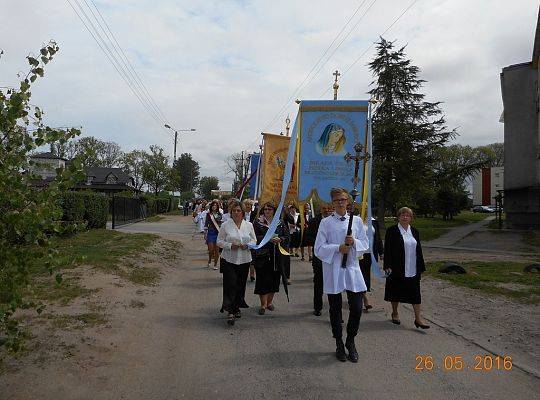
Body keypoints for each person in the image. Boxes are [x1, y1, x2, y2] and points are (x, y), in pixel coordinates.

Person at [314, 187, 369, 363]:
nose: (340, 202)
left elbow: (365, 244)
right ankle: (338, 342)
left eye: (343, 199)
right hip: (334, 269)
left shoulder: (357, 221)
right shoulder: (326, 223)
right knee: (335, 308)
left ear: (348, 201)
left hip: (352, 268)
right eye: (337, 200)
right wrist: (338, 248)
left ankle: (350, 340)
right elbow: (319, 249)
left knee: (357, 307)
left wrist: (354, 242)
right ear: (332, 202)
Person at [383, 207, 430, 329]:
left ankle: (418, 319)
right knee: (395, 291)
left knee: (415, 293)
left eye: (407, 215)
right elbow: (387, 249)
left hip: (413, 267)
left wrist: (421, 267)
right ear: (398, 217)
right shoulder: (392, 230)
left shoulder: (414, 231)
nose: (405, 217)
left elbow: (418, 249)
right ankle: (395, 312)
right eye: (402, 215)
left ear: (411, 218)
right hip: (397, 267)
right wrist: (387, 265)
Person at [217, 200, 257, 326]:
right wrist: (229, 245)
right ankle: (230, 311)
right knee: (231, 284)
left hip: (244, 259)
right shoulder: (225, 225)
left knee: (240, 285)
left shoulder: (249, 225)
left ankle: (237, 306)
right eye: (234, 210)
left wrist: (248, 245)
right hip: (229, 259)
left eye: (238, 210)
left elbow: (254, 240)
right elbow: (219, 241)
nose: (236, 212)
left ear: (243, 212)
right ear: (231, 212)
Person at [253, 202, 290, 315]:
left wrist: (281, 239)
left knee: (274, 279)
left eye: (270, 209)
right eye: (265, 209)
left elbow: (287, 237)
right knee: (262, 279)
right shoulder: (258, 223)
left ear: (274, 211)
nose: (267, 211)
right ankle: (263, 304)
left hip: (277, 256)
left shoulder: (280, 223)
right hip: (262, 255)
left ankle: (269, 302)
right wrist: (267, 238)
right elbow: (253, 237)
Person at [304, 202, 333, 316]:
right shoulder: (314, 221)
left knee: (333, 284)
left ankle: (335, 310)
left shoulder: (335, 222)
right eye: (324, 208)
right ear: (321, 209)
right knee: (319, 283)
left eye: (329, 208)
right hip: (319, 257)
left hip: (332, 258)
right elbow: (308, 237)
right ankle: (317, 307)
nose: (326, 210)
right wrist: (320, 244)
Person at [359, 216, 384, 311]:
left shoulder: (373, 221)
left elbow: (377, 237)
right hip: (359, 253)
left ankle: (363, 294)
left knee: (366, 275)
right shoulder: (356, 220)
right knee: (360, 275)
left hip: (370, 253)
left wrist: (381, 252)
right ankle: (365, 298)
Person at [204, 200, 223, 269]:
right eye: (213, 205)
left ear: (217, 206)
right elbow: (206, 224)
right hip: (210, 233)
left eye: (215, 205)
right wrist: (205, 233)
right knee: (211, 249)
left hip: (218, 233)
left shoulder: (220, 214)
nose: (214, 206)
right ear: (211, 206)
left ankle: (215, 264)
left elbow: (220, 222)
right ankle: (209, 260)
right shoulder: (208, 214)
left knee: (217, 251)